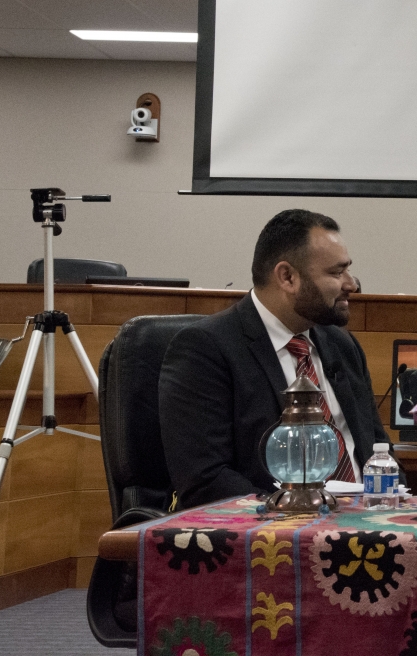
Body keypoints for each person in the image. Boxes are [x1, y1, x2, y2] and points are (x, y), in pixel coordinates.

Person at [159, 209, 393, 509]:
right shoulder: (205, 350)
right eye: (336, 273)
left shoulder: (342, 345)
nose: (351, 284)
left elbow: (377, 449)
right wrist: (296, 512)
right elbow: (205, 480)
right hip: (270, 539)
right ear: (287, 277)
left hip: (367, 529)